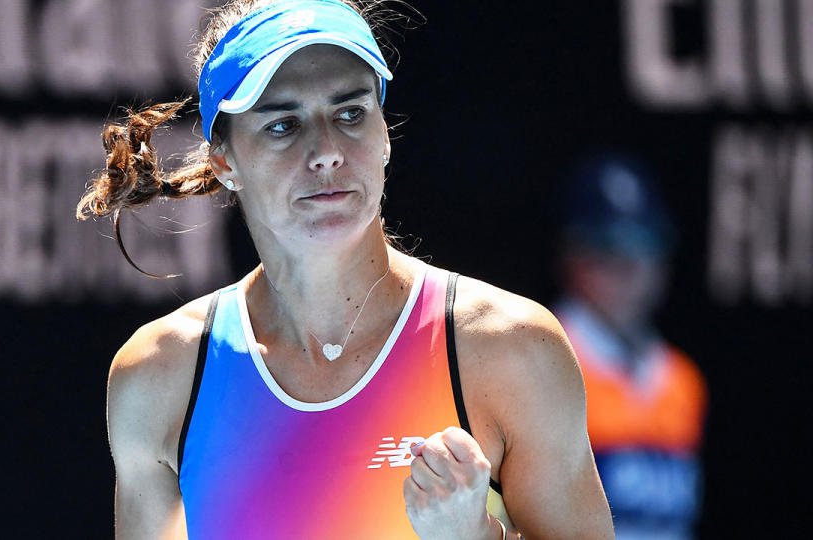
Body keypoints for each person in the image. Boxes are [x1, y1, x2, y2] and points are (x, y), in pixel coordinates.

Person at [77, 1, 614, 538]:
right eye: (284, 125)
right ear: (225, 161)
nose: (327, 151)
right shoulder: (157, 377)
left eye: (350, 114)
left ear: (384, 135)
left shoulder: (512, 349)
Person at [552, 155, 708, 540]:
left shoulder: (682, 381)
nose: (629, 268)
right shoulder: (540, 359)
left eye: (644, 244)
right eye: (607, 247)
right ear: (573, 254)